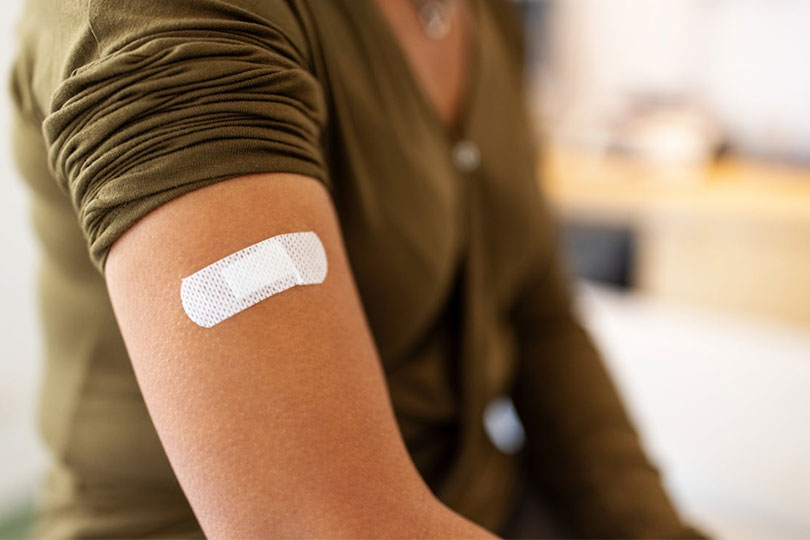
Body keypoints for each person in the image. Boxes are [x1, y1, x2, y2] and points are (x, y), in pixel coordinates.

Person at [9, 0, 705, 537]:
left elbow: (537, 311)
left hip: (480, 502)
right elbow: (317, 525)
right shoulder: (165, 19)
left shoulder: (476, 12)